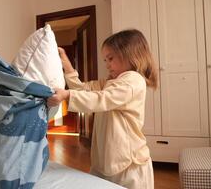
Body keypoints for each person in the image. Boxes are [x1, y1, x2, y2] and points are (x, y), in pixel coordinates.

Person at [47, 29, 157, 189]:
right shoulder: (110, 82)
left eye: (110, 58)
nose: (107, 64)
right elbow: (83, 89)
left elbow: (102, 99)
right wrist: (67, 65)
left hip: (129, 163)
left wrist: (67, 95)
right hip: (106, 158)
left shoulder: (133, 80)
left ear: (130, 55)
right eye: (105, 60)